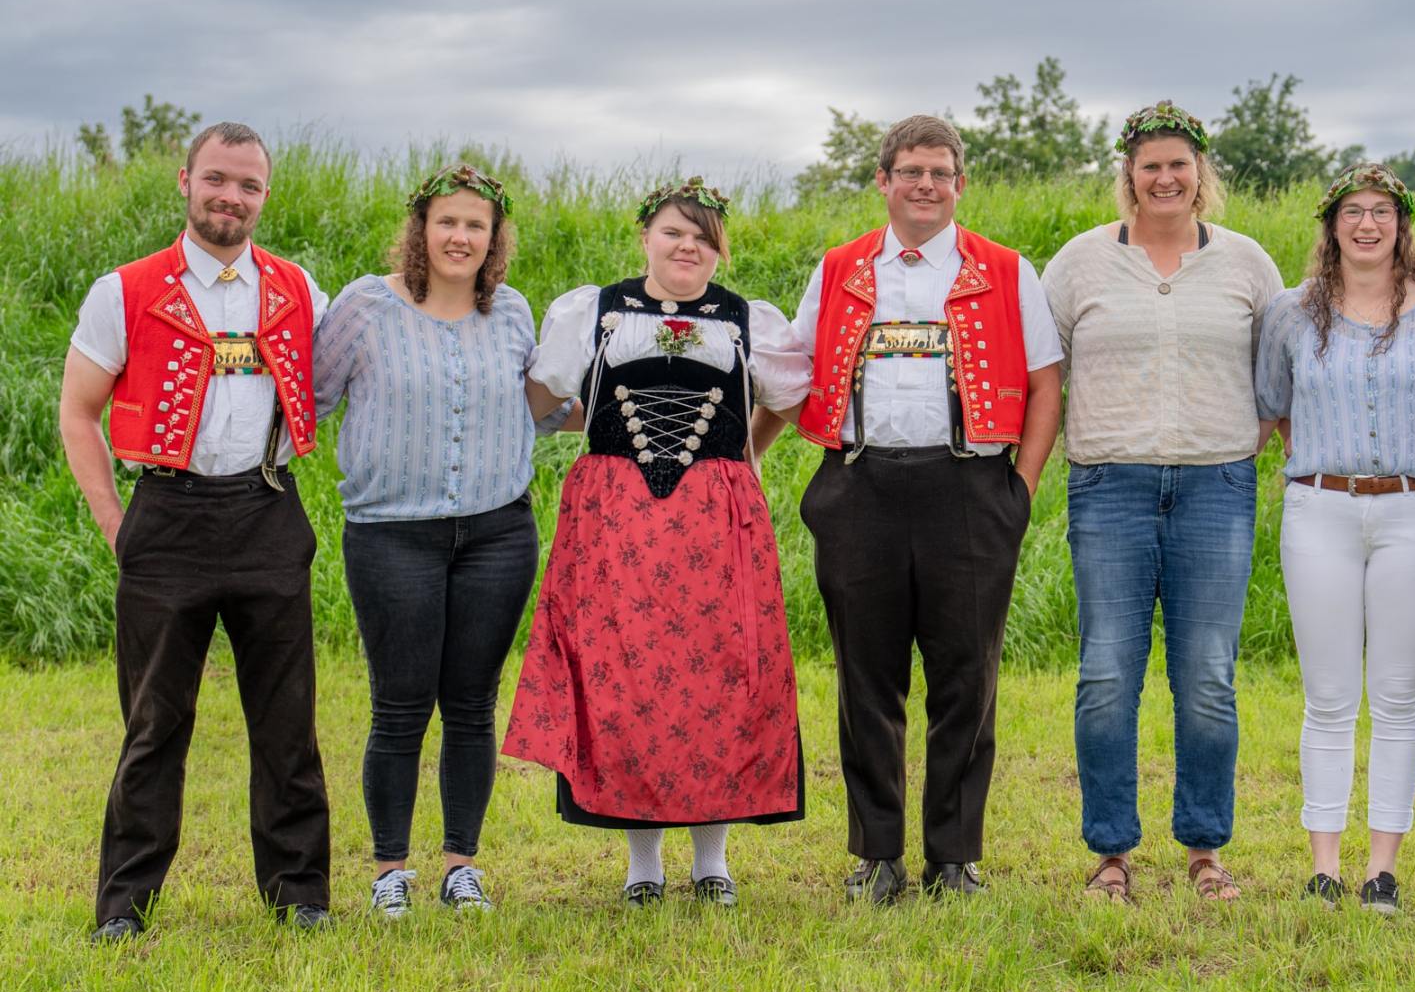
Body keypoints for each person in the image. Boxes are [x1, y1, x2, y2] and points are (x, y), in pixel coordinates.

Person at [754, 114, 1062, 904]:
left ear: (960, 184)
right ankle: (878, 855)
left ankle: (953, 858)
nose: (926, 186)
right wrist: (744, 456)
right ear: (884, 181)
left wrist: (1019, 491)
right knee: (866, 677)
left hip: (970, 490)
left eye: (940, 173)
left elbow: (1045, 384)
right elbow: (792, 372)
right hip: (860, 488)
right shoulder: (840, 268)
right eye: (911, 172)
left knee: (967, 678)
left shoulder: (1005, 269)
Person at [502, 177, 811, 907]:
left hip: (716, 519)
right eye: (674, 232)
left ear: (719, 250)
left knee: (721, 676)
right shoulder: (594, 312)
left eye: (703, 237)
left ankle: (712, 862)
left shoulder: (747, 321)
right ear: (645, 236)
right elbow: (541, 401)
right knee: (625, 677)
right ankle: (643, 866)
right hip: (616, 518)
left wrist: (745, 457)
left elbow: (786, 400)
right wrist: (596, 425)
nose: (687, 247)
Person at [59, 122, 334, 940]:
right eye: (216, 179)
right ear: (186, 181)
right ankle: (124, 906)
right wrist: (118, 526)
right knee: (155, 722)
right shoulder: (124, 289)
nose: (230, 197)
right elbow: (78, 412)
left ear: (265, 196)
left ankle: (299, 895)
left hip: (267, 509)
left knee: (287, 722)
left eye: (247, 185)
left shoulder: (297, 288)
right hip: (167, 517)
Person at [313, 164, 570, 918]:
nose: (461, 237)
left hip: (498, 534)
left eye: (476, 225)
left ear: (495, 239)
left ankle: (462, 866)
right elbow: (310, 397)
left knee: (472, 703)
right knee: (399, 706)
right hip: (391, 535)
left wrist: (645, 403)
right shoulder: (365, 307)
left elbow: (539, 409)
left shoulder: (512, 312)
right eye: (447, 221)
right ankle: (389, 871)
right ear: (421, 228)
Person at [1041, 101, 1282, 904]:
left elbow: (1277, 372)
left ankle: (1205, 848)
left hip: (1216, 486)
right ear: (1130, 175)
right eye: (1151, 166)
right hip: (1110, 486)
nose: (1166, 178)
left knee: (1207, 675)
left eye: (1180, 164)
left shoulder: (1246, 264)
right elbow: (1044, 370)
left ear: (1200, 173)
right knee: (1108, 674)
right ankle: (1111, 852)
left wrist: (1246, 441)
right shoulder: (1079, 263)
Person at [1254, 163, 1415, 914]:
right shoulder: (1289, 313)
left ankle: (1382, 871)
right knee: (1330, 694)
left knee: (1399, 695)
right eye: (1352, 212)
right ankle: (1324, 868)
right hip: (1321, 510)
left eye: (1381, 211)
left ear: (1401, 224)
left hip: (1413, 511)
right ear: (1331, 224)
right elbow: (1272, 405)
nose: (1367, 224)